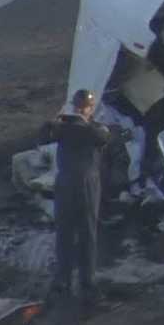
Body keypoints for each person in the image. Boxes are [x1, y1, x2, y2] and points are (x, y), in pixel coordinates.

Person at [44, 89, 111, 304]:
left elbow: (99, 136)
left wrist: (70, 122)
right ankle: (72, 281)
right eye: (81, 106)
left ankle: (79, 280)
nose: (83, 109)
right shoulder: (74, 128)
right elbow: (44, 135)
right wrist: (60, 122)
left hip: (78, 182)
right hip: (75, 182)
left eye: (85, 106)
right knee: (72, 231)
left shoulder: (80, 128)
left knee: (80, 231)